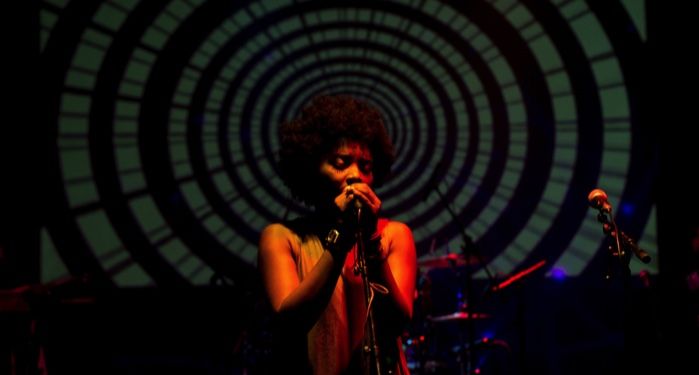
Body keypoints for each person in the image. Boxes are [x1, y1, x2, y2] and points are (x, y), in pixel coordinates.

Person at [257, 94, 417, 375]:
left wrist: (369, 241)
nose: (355, 175)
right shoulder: (280, 238)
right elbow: (291, 320)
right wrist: (341, 237)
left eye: (365, 166)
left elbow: (397, 322)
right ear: (310, 168)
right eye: (341, 162)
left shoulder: (393, 235)